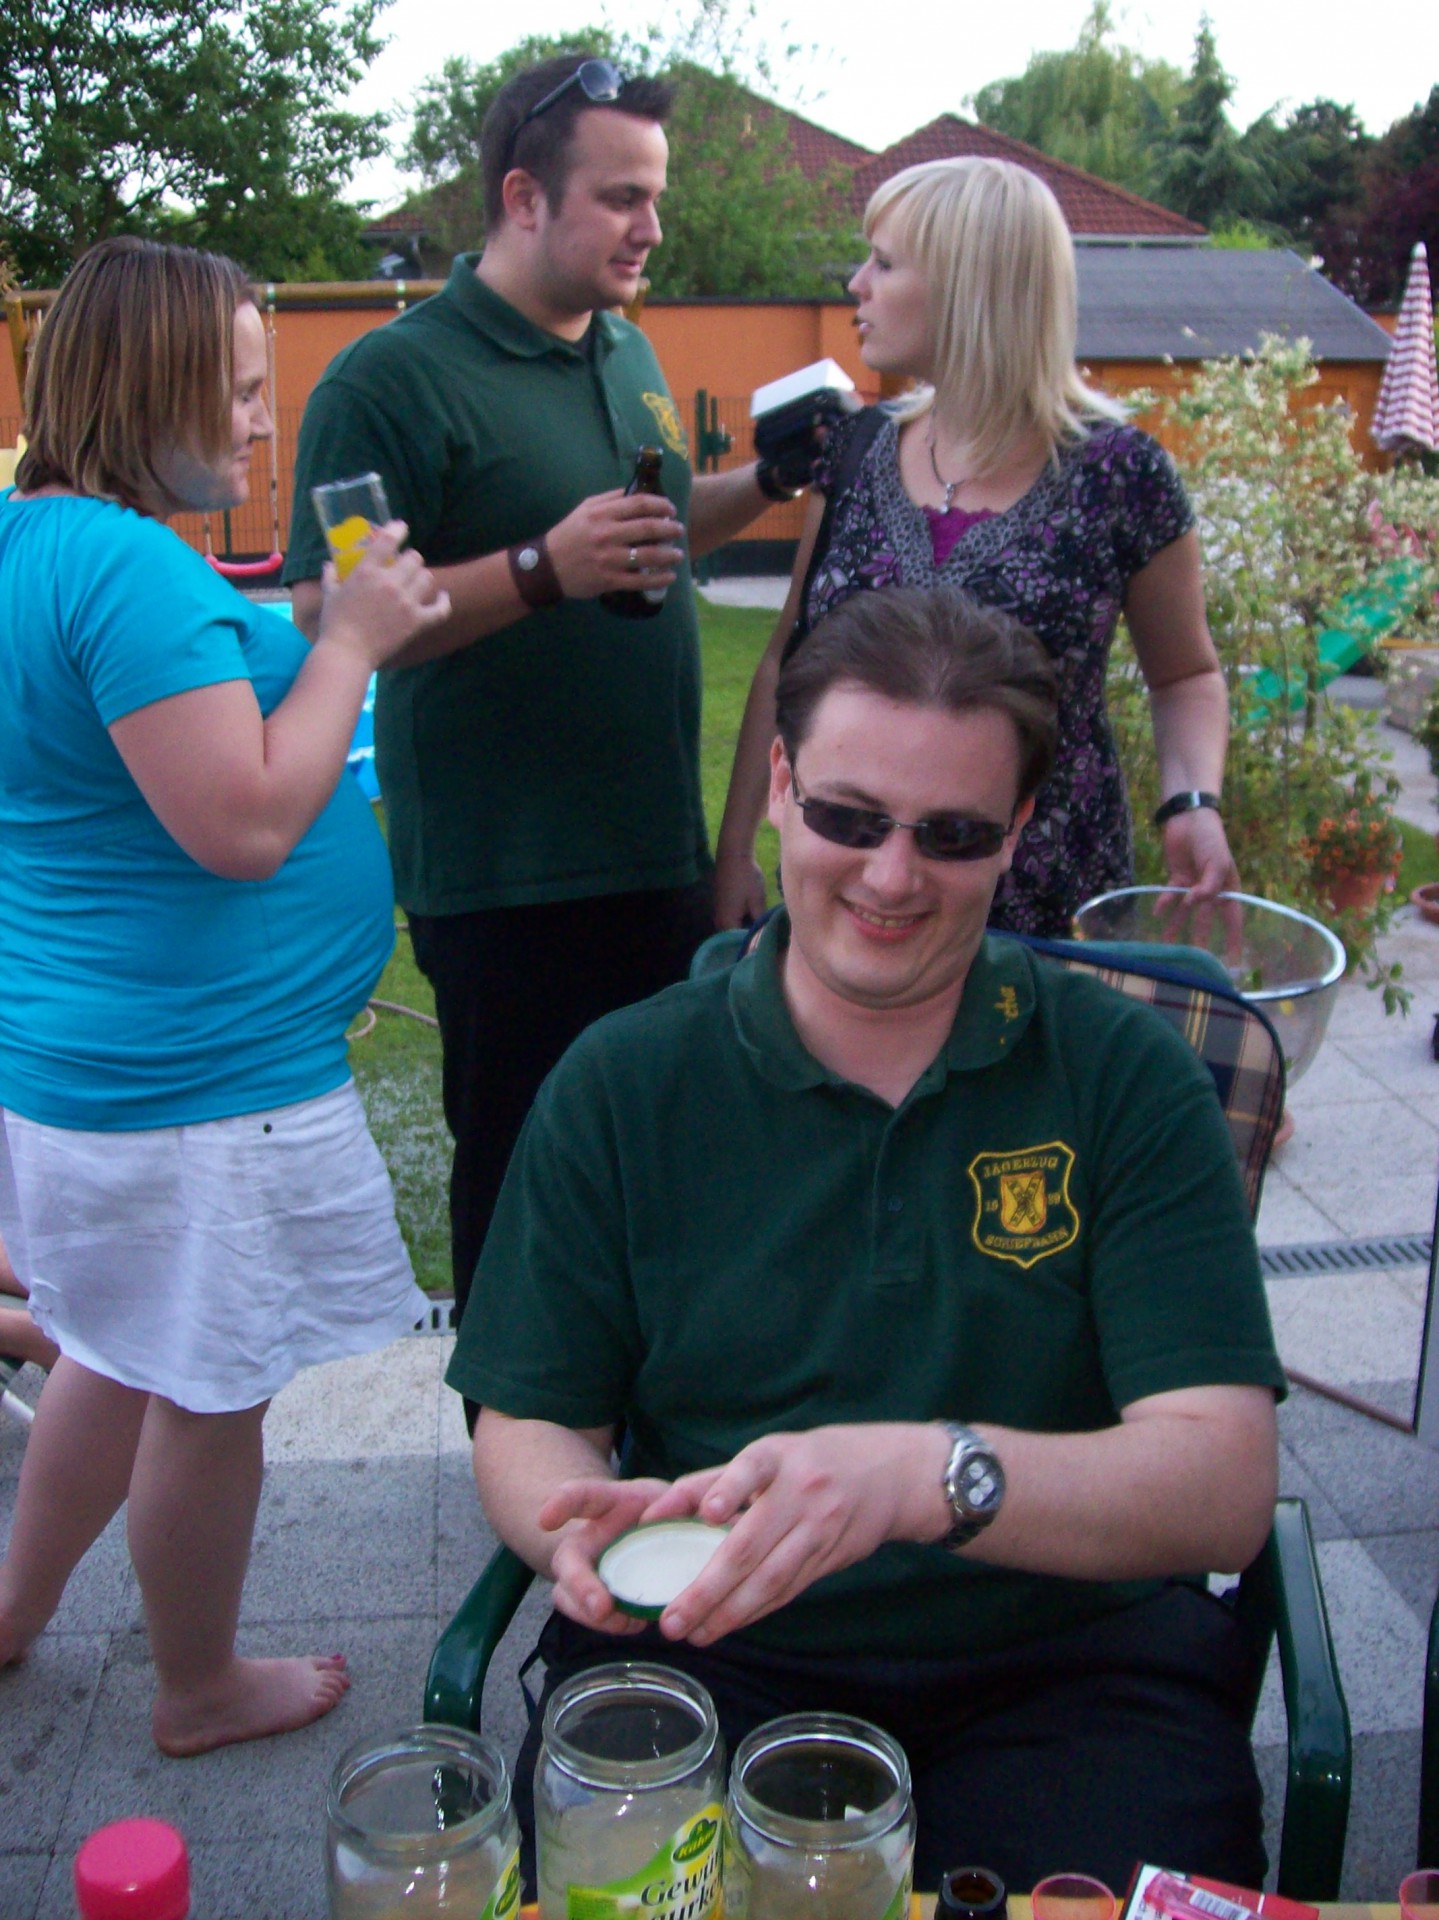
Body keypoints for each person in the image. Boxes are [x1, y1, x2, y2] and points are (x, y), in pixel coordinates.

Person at [450, 585, 1285, 1892]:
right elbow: (529, 1415)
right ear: (779, 786)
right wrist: (569, 1524)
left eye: (950, 834)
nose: (890, 878)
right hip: (712, 1638)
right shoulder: (622, 1082)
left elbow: (1219, 1489)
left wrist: (916, 1478)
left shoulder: (1124, 1078)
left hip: (1070, 1667)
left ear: (1016, 831)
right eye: (848, 817)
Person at [284, 56, 794, 1405]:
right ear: (522, 196)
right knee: (523, 1183)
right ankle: (515, 1451)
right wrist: (536, 570)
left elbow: (658, 524)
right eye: (621, 198)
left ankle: (643, 1437)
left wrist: (768, 479)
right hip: (506, 880)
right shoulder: (387, 382)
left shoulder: (624, 349)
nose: (650, 228)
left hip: (653, 854)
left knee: (660, 1175)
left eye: (655, 198)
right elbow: (332, 608)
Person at [0, 236, 450, 1754]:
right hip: (193, 1092)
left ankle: (10, 1607)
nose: (266, 423)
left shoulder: (33, 543)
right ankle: (196, 1685)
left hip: (91, 1071)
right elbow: (244, 824)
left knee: (115, 1350)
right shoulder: (126, 570)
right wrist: (356, 643)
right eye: (242, 390)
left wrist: (309, 638)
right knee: (210, 1391)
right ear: (149, 390)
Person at [715, 156, 1240, 938]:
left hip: (1044, 908)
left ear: (968, 289)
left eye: (883, 263)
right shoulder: (853, 450)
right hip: (860, 893)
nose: (856, 284)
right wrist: (736, 852)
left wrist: (1191, 802)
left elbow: (1185, 674)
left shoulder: (1118, 475)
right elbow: (783, 660)